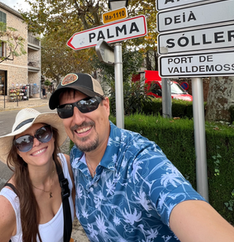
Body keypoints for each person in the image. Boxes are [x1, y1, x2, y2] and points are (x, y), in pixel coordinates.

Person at [49, 72, 234, 242]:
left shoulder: (142, 161)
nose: (77, 118)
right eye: (65, 110)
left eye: (87, 104)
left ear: (105, 106)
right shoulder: (76, 155)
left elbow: (184, 205)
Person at [0, 108, 74, 242]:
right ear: (17, 152)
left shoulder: (66, 167)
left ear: (53, 136)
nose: (36, 143)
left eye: (42, 133)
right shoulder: (8, 205)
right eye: (24, 141)